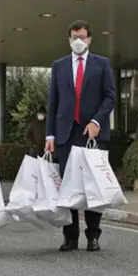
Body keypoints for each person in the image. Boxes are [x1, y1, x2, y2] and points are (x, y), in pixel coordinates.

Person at [44, 20, 116, 252]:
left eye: (82, 37)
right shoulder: (59, 65)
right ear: (69, 39)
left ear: (90, 39)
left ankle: (93, 235)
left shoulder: (101, 64)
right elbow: (53, 102)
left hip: (92, 133)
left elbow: (110, 97)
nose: (78, 41)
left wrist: (97, 121)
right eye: (75, 36)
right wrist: (50, 135)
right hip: (67, 133)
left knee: (93, 186)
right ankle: (70, 236)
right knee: (69, 187)